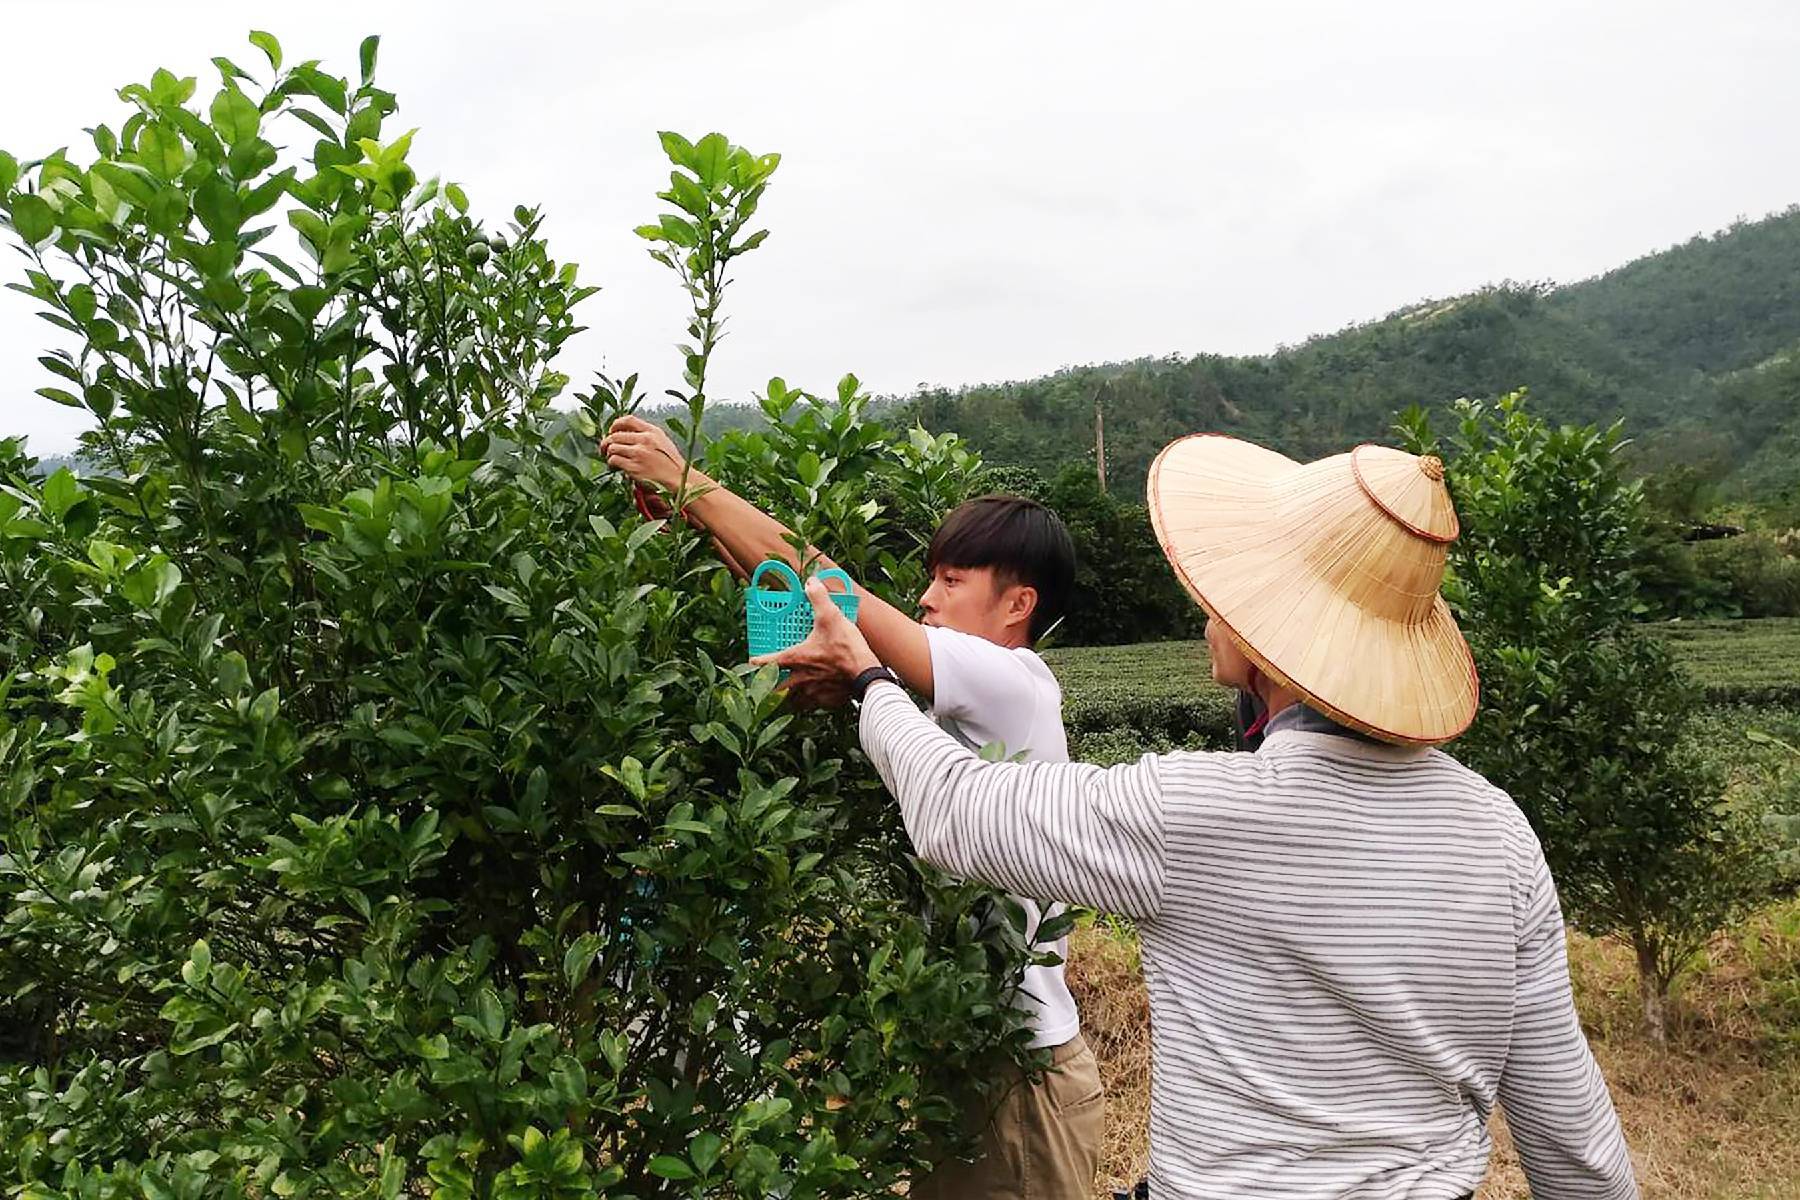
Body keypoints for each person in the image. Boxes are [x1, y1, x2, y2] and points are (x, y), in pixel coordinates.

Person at [762, 434, 1641, 1199]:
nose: (1208, 609)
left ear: (1268, 638)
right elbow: (1572, 1136)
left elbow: (957, 811)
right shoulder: (1498, 830)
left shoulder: (1201, 812)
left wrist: (870, 682)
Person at [601, 414, 1104, 1199]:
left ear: (1017, 605)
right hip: (968, 1049)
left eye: (951, 581)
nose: (926, 598)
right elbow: (802, 605)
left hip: (1022, 1075)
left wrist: (687, 480)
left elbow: (829, 587)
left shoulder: (1014, 682)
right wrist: (700, 525)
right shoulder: (952, 702)